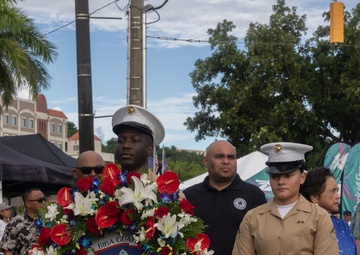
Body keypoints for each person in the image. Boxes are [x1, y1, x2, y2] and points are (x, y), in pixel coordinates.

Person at [233, 142, 339, 255]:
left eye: (288, 176)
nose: (281, 182)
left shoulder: (319, 217)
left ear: (302, 177)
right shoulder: (252, 218)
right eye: (274, 177)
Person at [183, 140, 267, 255]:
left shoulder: (254, 195)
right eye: (219, 156)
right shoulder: (189, 196)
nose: (226, 161)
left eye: (231, 157)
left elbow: (263, 241)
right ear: (206, 161)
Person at [301, 166, 357, 255]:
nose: (338, 196)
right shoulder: (303, 226)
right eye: (332, 191)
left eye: (337, 190)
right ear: (315, 197)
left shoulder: (342, 225)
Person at [112, 105, 165, 177]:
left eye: (134, 140)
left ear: (150, 150)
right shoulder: (102, 187)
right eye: (120, 141)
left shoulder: (158, 187)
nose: (125, 145)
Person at [0, 187, 46, 255]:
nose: (44, 202)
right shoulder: (15, 224)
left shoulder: (50, 219)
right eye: (40, 200)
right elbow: (7, 250)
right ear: (28, 203)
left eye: (44, 199)